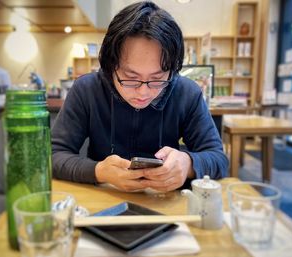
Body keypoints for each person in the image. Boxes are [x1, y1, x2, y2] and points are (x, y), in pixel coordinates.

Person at [52, 1, 229, 192]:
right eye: (130, 78)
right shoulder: (86, 90)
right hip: (104, 198)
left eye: (157, 78)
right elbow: (54, 155)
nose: (143, 92)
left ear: (172, 71)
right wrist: (99, 171)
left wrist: (188, 164)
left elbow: (218, 159)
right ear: (110, 65)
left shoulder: (187, 93)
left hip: (167, 203)